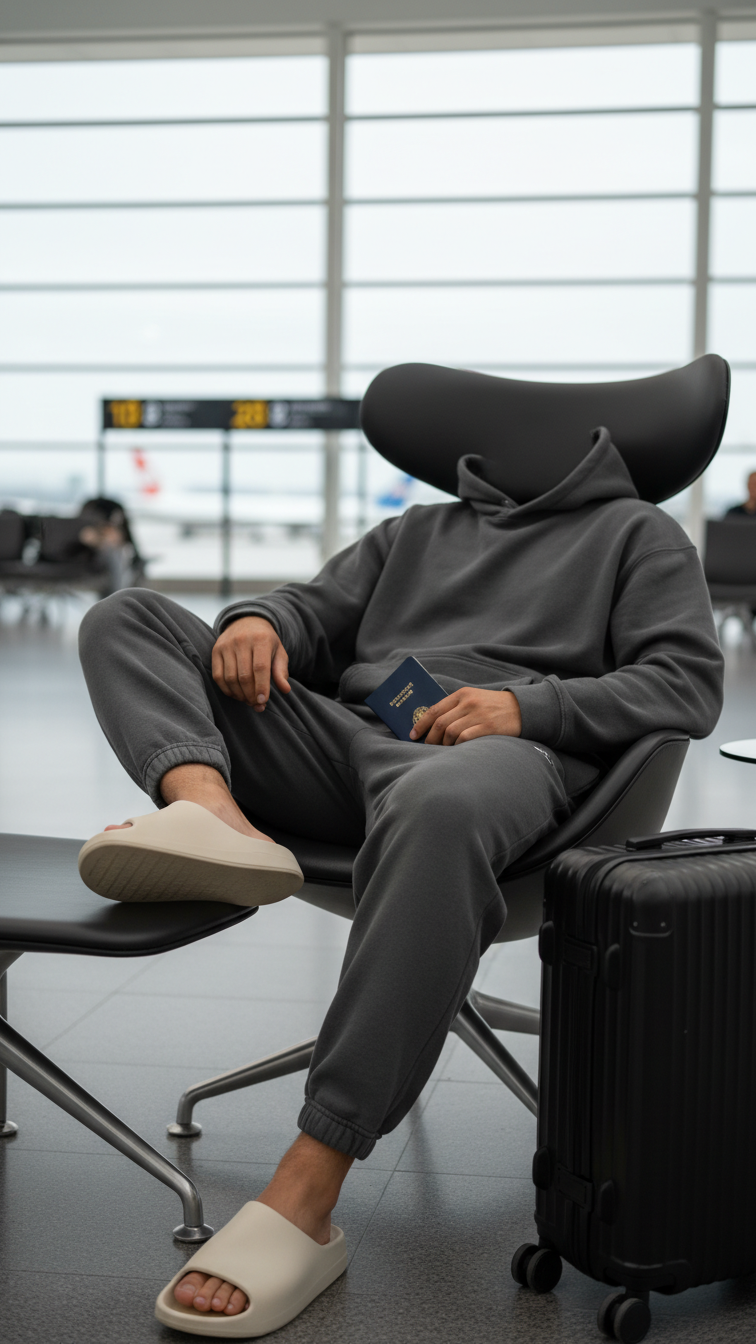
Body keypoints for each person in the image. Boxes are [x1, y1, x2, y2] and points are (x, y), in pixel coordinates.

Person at [78, 427, 724, 1336]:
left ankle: (309, 1185)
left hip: (504, 756)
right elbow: (311, 608)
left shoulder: (640, 535)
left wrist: (525, 703)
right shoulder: (416, 529)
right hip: (352, 733)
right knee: (128, 618)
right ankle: (211, 815)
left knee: (440, 805)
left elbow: (686, 681)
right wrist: (261, 621)